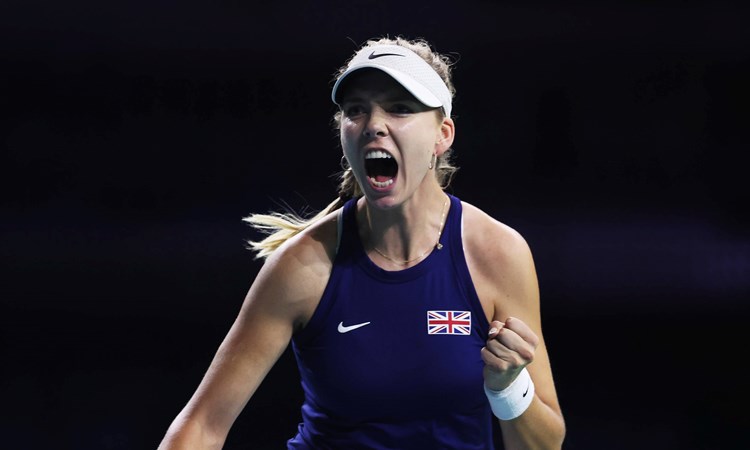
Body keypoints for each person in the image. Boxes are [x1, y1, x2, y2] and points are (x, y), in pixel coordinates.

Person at [158, 36, 565, 449]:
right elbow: (202, 426)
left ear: (443, 134)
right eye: (356, 111)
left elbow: (544, 444)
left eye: (399, 109)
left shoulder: (498, 254)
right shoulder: (301, 266)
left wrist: (508, 388)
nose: (373, 124)